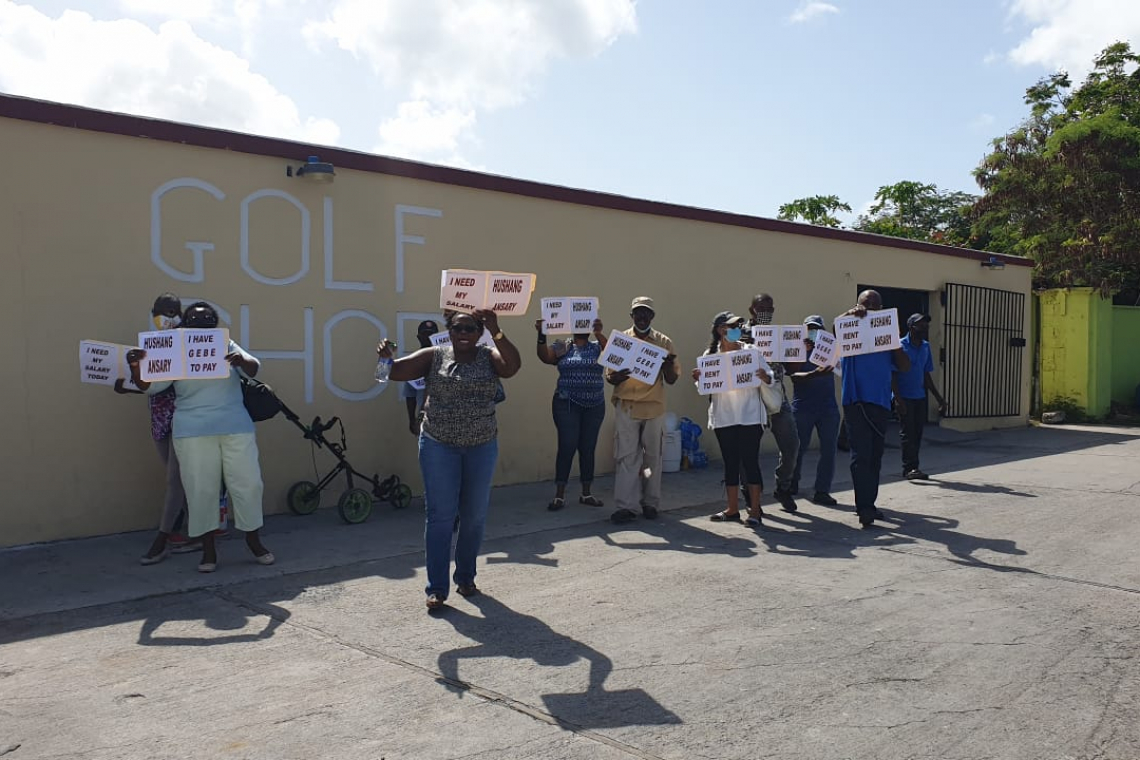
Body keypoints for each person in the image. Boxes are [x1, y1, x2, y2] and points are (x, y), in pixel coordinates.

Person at [376, 309, 522, 610]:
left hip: (481, 445)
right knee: (441, 517)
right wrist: (385, 357)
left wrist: (496, 328)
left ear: (479, 332)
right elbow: (386, 375)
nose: (464, 334)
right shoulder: (434, 355)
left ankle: (466, 577)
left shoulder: (489, 355)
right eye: (458, 329)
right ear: (449, 331)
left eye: (471, 328)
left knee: (474, 516)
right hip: (439, 445)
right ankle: (436, 588)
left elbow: (512, 367)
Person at [127, 302, 274, 572]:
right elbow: (151, 387)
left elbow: (254, 368)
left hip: (235, 426)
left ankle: (254, 542)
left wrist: (241, 361)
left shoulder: (226, 344)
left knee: (249, 485)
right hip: (192, 431)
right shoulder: (173, 348)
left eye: (208, 318)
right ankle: (208, 552)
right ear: (185, 322)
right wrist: (137, 367)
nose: (201, 320)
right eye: (195, 318)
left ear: (215, 323)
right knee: (200, 491)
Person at [116, 293, 195, 564]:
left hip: (183, 418)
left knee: (174, 479)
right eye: (163, 312)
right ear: (153, 314)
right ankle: (195, 530)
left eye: (174, 312)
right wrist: (127, 386)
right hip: (159, 419)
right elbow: (151, 383)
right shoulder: (150, 344)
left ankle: (162, 539)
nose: (168, 317)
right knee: (181, 479)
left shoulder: (187, 342)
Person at [839, 290, 911, 529]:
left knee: (875, 456)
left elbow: (904, 366)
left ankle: (869, 502)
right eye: (865, 303)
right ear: (857, 304)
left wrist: (895, 340)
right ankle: (864, 508)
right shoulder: (850, 327)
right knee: (861, 456)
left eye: (875, 304)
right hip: (855, 400)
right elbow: (835, 331)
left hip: (880, 403)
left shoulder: (886, 338)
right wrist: (850, 315)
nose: (870, 307)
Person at [606, 297, 680, 524]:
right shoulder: (620, 340)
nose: (642, 317)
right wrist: (620, 375)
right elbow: (610, 377)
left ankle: (650, 503)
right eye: (638, 313)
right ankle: (625, 506)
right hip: (627, 406)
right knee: (627, 458)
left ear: (652, 316)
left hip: (653, 407)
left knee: (652, 459)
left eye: (646, 313)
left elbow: (672, 378)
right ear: (631, 316)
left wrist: (667, 365)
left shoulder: (664, 342)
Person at [695, 312, 772, 527]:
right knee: (730, 463)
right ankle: (732, 509)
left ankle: (755, 511)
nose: (738, 328)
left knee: (750, 463)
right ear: (721, 330)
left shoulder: (751, 352)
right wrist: (699, 378)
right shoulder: (710, 355)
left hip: (750, 417)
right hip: (724, 417)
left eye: (739, 325)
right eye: (733, 325)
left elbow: (770, 377)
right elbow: (705, 387)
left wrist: (765, 377)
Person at [535, 316, 608, 511]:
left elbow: (615, 354)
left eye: (586, 322)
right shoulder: (563, 346)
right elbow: (545, 357)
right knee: (567, 445)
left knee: (588, 448)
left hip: (594, 405)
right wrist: (541, 335)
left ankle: (587, 493)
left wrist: (600, 334)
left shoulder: (597, 347)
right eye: (579, 322)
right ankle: (559, 495)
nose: (583, 326)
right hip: (567, 403)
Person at [746, 293, 800, 512]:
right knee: (748, 452)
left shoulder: (779, 336)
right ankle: (750, 495)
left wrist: (798, 350)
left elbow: (792, 370)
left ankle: (783, 487)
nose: (765, 313)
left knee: (792, 445)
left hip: (777, 397)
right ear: (752, 310)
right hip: (751, 400)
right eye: (761, 309)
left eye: (769, 309)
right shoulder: (740, 332)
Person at [789, 315, 841, 507]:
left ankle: (822, 490)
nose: (812, 332)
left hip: (828, 407)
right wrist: (813, 372)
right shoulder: (797, 349)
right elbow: (793, 376)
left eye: (816, 328)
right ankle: (791, 483)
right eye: (809, 328)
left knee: (829, 450)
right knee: (797, 449)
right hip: (803, 406)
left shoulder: (830, 349)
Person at [893, 313, 947, 480]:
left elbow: (926, 375)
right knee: (907, 433)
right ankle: (909, 468)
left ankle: (914, 465)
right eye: (921, 325)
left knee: (917, 433)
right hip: (905, 397)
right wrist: (897, 398)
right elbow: (892, 374)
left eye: (926, 325)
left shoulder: (925, 347)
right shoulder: (899, 346)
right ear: (911, 327)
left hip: (919, 396)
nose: (925, 328)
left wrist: (939, 399)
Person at [403, 319, 441, 436]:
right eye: (425, 333)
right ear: (419, 337)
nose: (428, 337)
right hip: (424, 420)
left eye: (432, 334)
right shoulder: (413, 361)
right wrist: (412, 419)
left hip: (445, 420)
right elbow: (410, 395)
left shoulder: (448, 358)